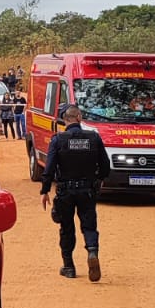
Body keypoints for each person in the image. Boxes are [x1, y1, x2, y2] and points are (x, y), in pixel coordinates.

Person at [40, 105, 109, 281]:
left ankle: (68, 266)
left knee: (66, 228)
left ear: (65, 119)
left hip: (66, 191)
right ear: (79, 117)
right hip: (87, 190)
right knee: (89, 225)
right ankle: (92, 252)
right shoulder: (93, 138)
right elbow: (105, 165)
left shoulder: (58, 140)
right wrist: (98, 180)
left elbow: (49, 167)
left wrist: (45, 190)